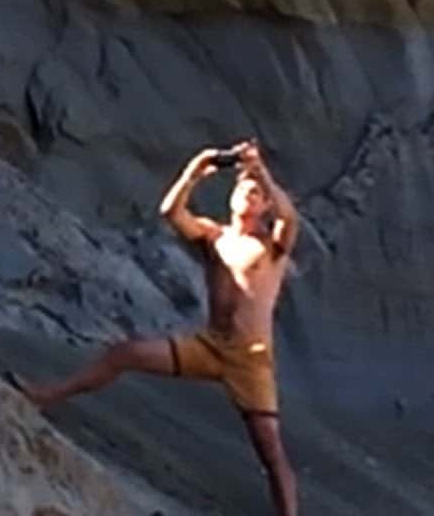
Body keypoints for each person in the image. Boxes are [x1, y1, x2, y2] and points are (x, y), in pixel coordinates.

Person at [20, 140, 302, 515]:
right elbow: (171, 211)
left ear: (265, 205)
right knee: (125, 354)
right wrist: (197, 169)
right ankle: (46, 395)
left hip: (250, 358)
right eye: (243, 189)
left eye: (257, 194)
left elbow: (290, 218)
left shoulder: (270, 247)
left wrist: (261, 171)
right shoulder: (213, 236)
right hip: (209, 344)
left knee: (270, 451)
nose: (249, 195)